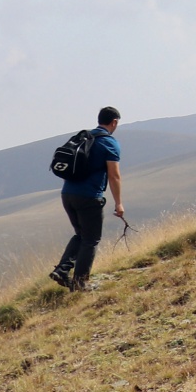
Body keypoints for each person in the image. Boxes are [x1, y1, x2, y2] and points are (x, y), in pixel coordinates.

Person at [49, 106, 124, 292]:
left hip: (67, 194)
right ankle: (81, 283)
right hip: (89, 197)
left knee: (81, 235)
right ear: (114, 122)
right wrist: (118, 203)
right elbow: (114, 175)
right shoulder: (109, 143)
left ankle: (62, 270)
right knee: (91, 239)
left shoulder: (82, 138)